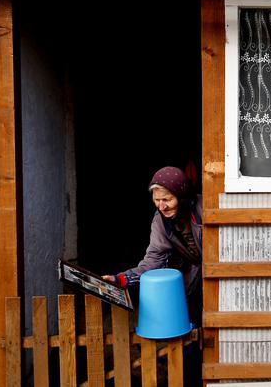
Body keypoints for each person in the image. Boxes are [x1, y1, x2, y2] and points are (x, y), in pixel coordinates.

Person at [102, 165, 203, 386]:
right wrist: (122, 279)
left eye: (167, 199)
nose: (161, 206)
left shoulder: (205, 208)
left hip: (219, 278)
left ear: (182, 195)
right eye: (157, 200)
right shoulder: (160, 220)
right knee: (191, 336)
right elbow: (154, 261)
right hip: (194, 280)